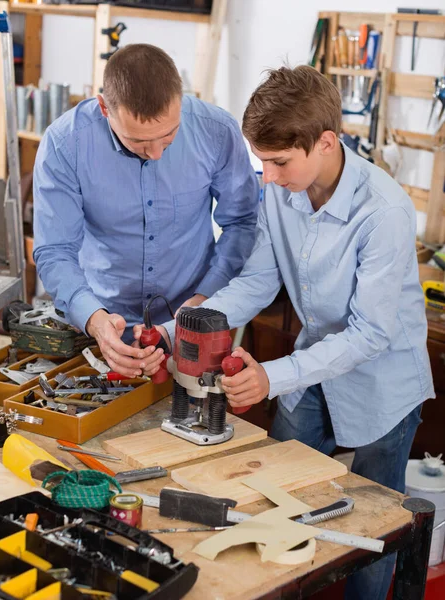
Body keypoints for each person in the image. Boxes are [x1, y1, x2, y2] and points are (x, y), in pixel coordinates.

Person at [136, 65, 435, 600]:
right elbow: (256, 282)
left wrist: (270, 377)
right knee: (273, 500)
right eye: (262, 162)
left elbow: (368, 334)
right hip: (309, 365)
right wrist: (169, 331)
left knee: (373, 529)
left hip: (381, 380)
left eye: (278, 162)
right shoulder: (280, 190)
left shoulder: (385, 211)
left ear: (325, 142)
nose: (267, 178)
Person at [33, 44, 259, 377]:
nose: (155, 154)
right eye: (137, 141)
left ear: (180, 99)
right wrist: (94, 320)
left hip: (195, 320)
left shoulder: (216, 132)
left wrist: (203, 299)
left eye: (168, 136)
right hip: (104, 321)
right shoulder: (65, 145)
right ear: (104, 108)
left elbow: (241, 224)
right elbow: (55, 251)